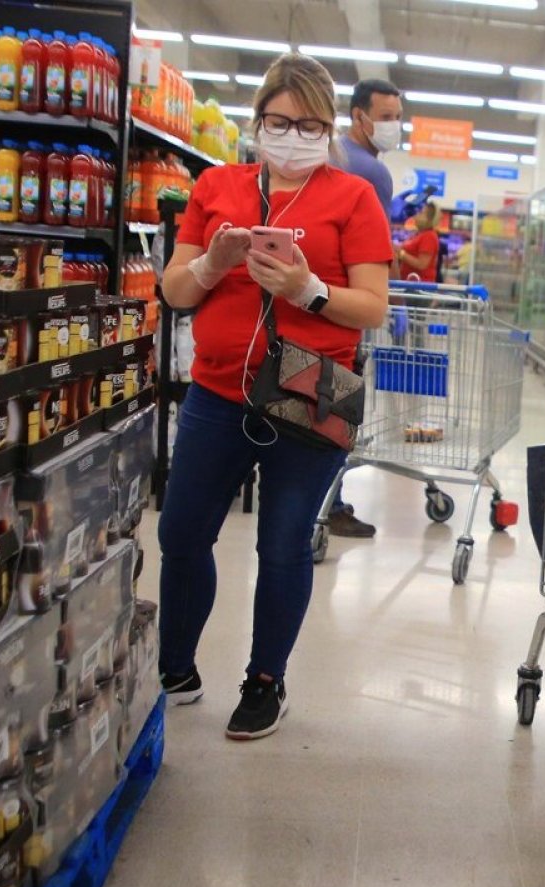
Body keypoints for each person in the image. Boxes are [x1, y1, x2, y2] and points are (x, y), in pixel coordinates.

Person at [156, 54, 390, 740]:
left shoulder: (353, 198)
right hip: (217, 392)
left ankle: (265, 680)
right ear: (258, 120)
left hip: (312, 391)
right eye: (280, 122)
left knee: (284, 542)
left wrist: (306, 290)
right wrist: (212, 263)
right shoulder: (216, 186)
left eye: (310, 124)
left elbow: (372, 306)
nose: (293, 135)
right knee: (180, 533)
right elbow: (175, 291)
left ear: (329, 130)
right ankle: (176, 666)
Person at [326, 78, 403, 540]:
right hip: (352, 309)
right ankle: (328, 504)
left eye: (398, 117)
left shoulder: (332, 157)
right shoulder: (373, 174)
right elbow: (374, 252)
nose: (394, 126)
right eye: (387, 117)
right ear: (359, 116)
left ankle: (323, 499)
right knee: (341, 406)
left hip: (318, 301)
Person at [397, 202, 442, 284]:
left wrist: (401, 254)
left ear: (429, 219)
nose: (416, 215)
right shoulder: (417, 234)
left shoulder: (429, 236)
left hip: (420, 286)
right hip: (408, 282)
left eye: (421, 212)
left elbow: (422, 264)